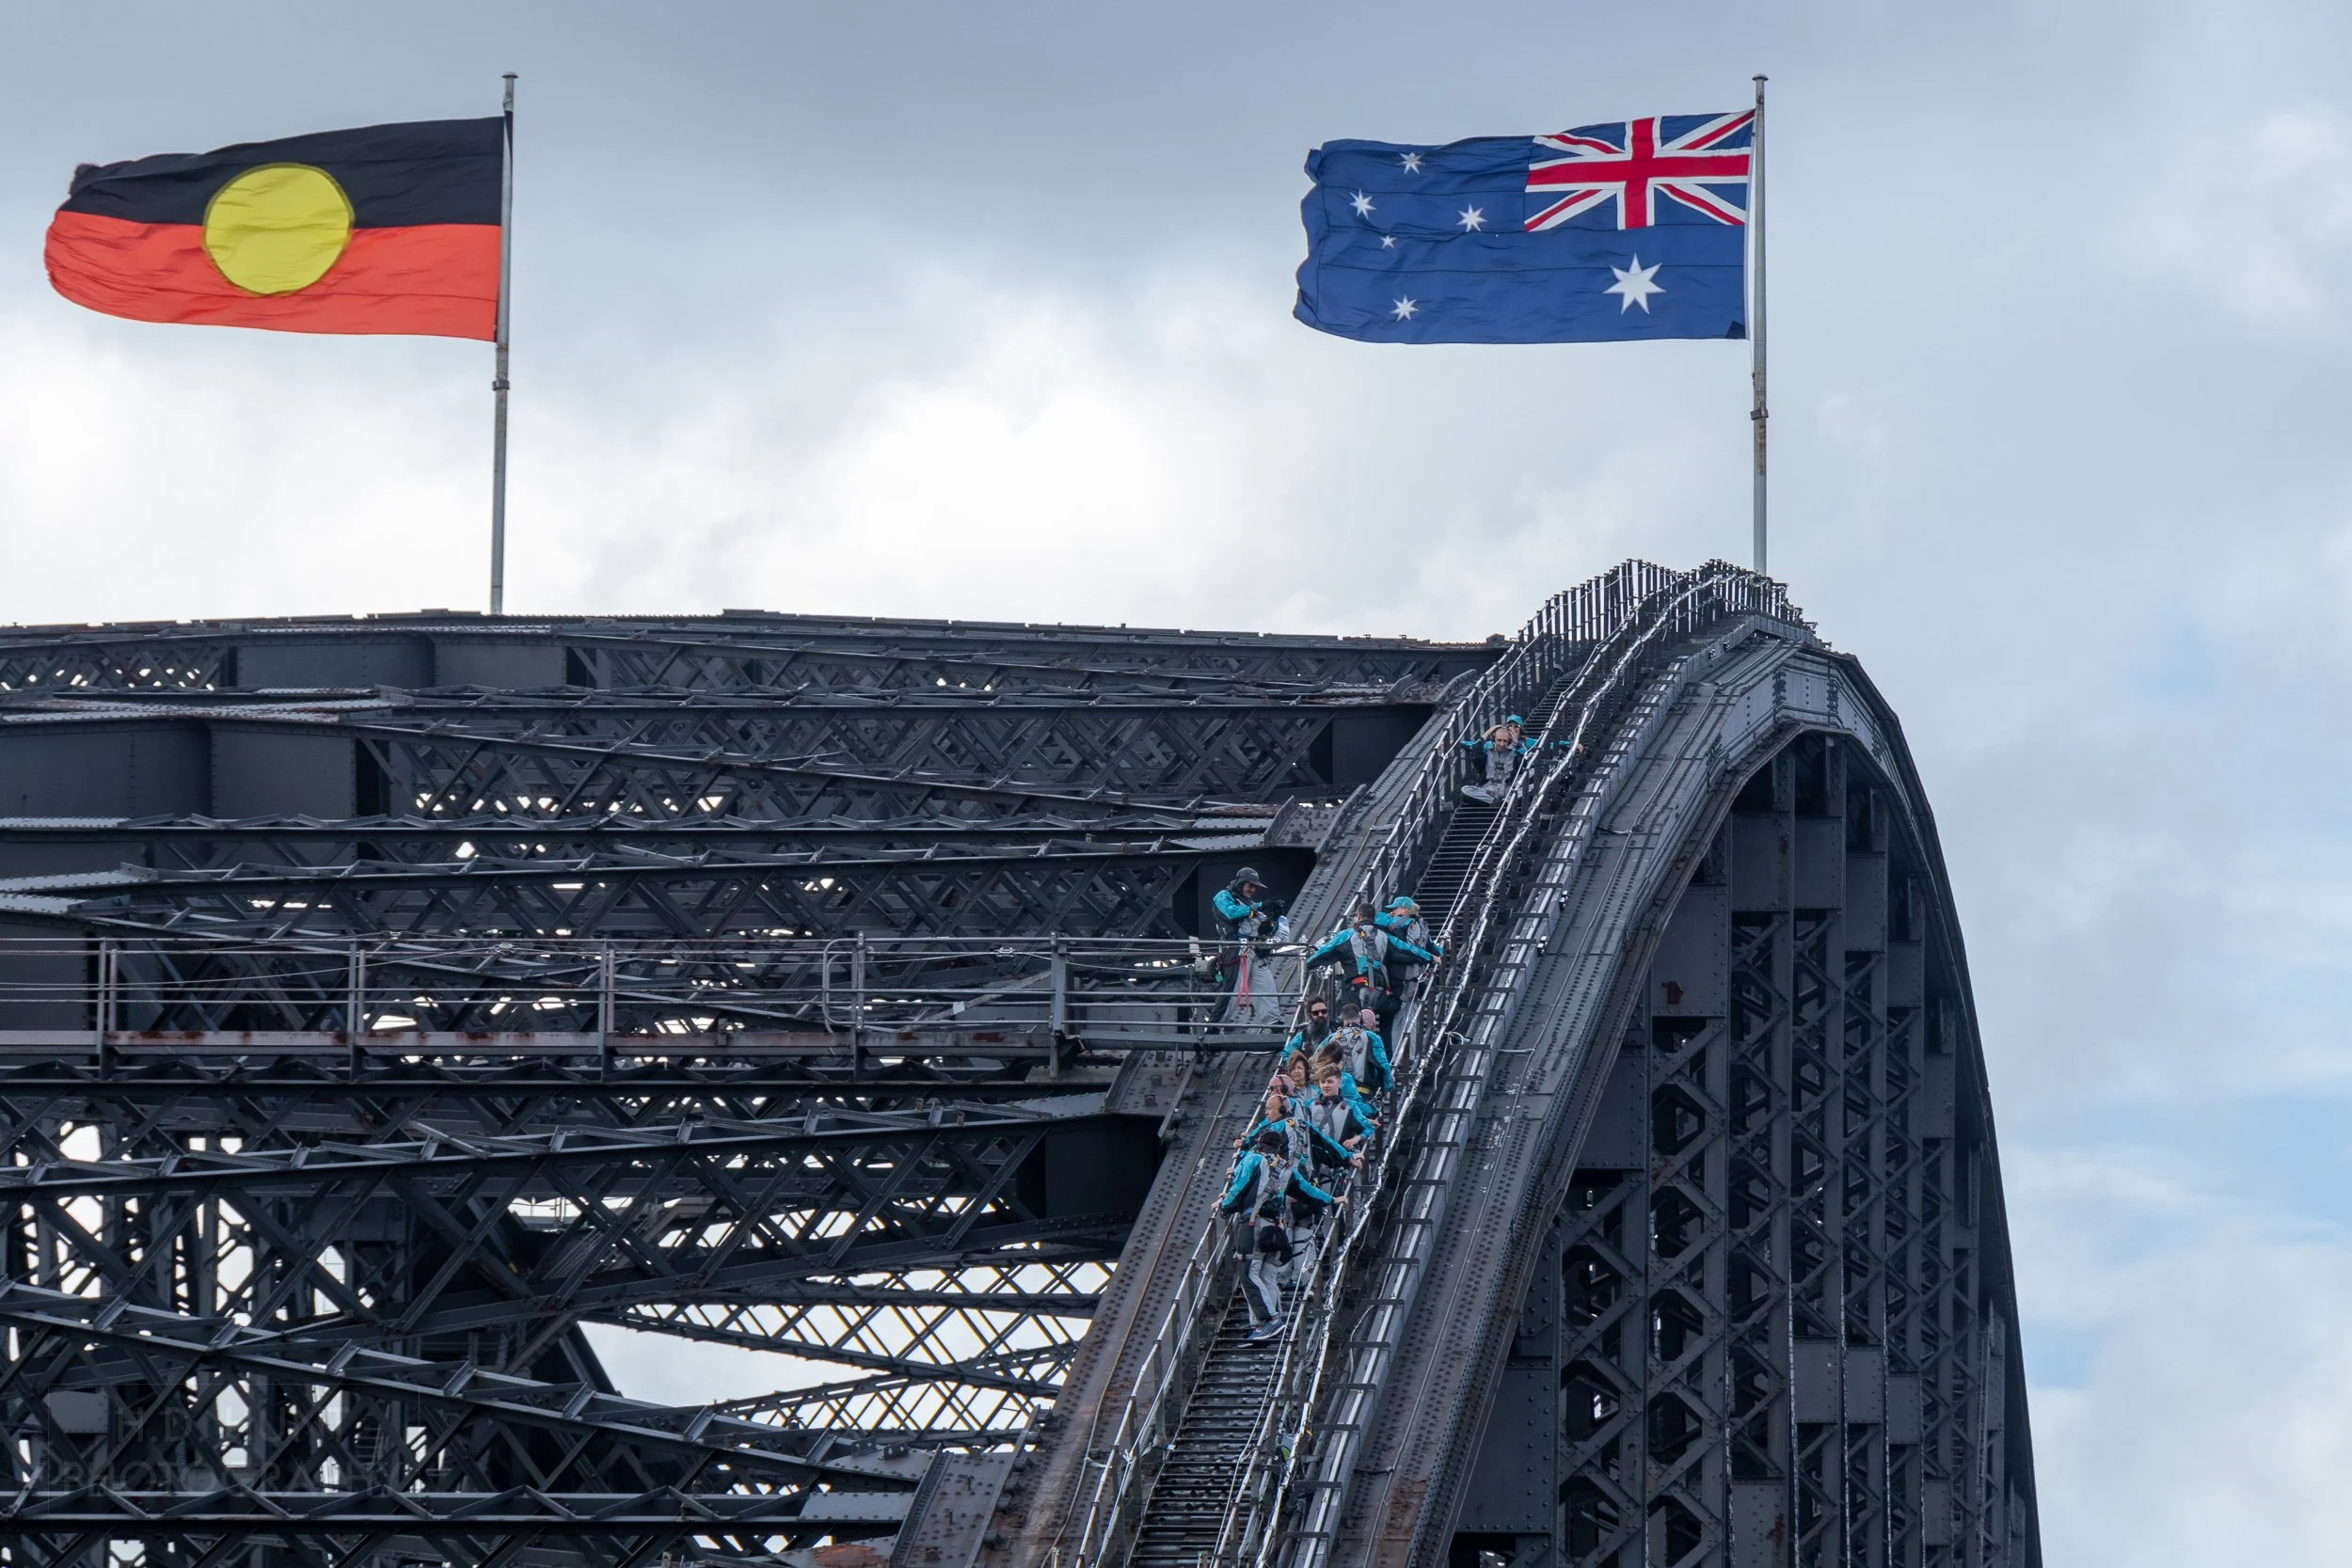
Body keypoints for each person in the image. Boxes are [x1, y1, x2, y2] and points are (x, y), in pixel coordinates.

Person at [1218, 1127, 1340, 1341]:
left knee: (1249, 1273)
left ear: (1260, 1144)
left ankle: (1270, 1320)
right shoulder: (1286, 1167)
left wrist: (1225, 1205)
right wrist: (1331, 1200)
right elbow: (1304, 1189)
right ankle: (1261, 1325)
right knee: (1268, 1274)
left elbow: (1239, 1187)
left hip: (1253, 1225)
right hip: (1276, 1228)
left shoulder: (1253, 1160)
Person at [1309, 903, 1436, 1022]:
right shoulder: (1385, 936)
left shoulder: (1345, 936)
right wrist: (1430, 957)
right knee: (1388, 1018)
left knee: (1345, 1017)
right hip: (1380, 992)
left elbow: (1323, 953)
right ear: (1373, 918)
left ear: (1358, 916)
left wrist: (1308, 963)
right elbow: (1408, 949)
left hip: (1355, 991)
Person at [1213, 867, 1287, 1028]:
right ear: (1240, 883)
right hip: (1235, 949)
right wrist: (1261, 906)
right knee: (1233, 991)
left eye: (1255, 886)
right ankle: (1213, 1027)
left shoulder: (1250, 904)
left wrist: (1274, 916)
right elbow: (1231, 913)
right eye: (1250, 885)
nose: (1253, 889)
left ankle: (1275, 1025)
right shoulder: (1223, 896)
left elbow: (1264, 928)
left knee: (1266, 988)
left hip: (1255, 950)